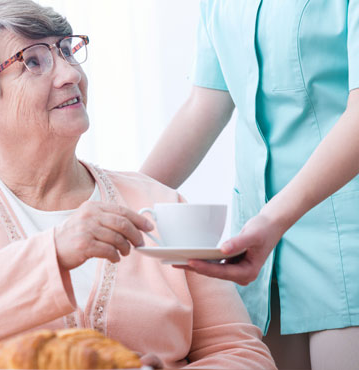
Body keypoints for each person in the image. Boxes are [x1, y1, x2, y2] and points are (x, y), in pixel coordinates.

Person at [0, 0, 275, 368]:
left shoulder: (160, 202)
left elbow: (239, 353)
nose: (69, 74)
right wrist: (55, 250)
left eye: (66, 51)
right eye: (32, 62)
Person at [141, 0, 359, 369]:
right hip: (260, 255)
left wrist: (272, 219)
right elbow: (205, 104)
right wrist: (118, 198)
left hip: (344, 243)